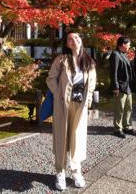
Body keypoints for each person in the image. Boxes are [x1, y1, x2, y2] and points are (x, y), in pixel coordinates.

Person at [46, 32, 96, 191]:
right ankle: (60, 172)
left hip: (80, 104)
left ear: (81, 40)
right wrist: (57, 93)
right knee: (61, 136)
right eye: (69, 38)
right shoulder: (61, 60)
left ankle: (76, 171)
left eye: (76, 37)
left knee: (78, 136)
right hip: (63, 103)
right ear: (67, 43)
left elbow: (92, 82)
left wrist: (88, 100)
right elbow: (50, 78)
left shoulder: (89, 61)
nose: (73, 40)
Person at [109, 36, 136, 138]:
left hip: (128, 86)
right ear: (123, 44)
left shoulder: (124, 55)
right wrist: (115, 87)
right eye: (129, 44)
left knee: (129, 108)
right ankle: (117, 128)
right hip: (120, 86)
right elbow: (113, 73)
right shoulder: (115, 55)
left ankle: (127, 127)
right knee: (119, 108)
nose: (129, 46)